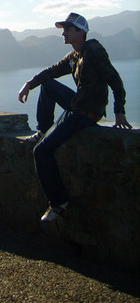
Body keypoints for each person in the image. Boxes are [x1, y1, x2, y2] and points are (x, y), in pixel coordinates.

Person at [17, 12, 132, 223]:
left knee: (41, 152)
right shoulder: (74, 56)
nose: (64, 33)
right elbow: (51, 71)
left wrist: (119, 111)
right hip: (77, 106)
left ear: (81, 32)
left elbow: (115, 81)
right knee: (48, 85)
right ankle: (43, 129)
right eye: (63, 29)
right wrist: (29, 83)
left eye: (68, 29)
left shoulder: (94, 52)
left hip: (86, 113)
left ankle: (59, 202)